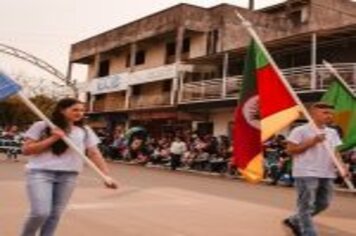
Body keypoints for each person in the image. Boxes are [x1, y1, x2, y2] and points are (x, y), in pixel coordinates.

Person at [20, 98, 117, 236]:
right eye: (75, 109)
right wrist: (53, 138)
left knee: (55, 215)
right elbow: (26, 150)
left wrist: (106, 176)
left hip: (69, 176)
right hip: (40, 173)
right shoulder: (42, 125)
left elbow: (94, 153)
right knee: (40, 212)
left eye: (82, 110)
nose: (79, 113)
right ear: (61, 110)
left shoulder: (85, 130)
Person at [283, 102, 348, 236]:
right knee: (306, 205)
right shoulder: (300, 130)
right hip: (306, 172)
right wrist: (311, 142)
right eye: (325, 113)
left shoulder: (332, 132)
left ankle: (295, 220)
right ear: (313, 113)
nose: (329, 116)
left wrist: (341, 167)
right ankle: (308, 232)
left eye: (331, 113)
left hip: (327, 172)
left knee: (323, 203)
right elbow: (290, 150)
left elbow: (335, 152)